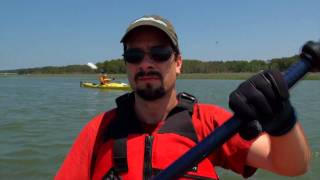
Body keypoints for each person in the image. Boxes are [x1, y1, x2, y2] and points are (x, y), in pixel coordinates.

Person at [55, 15, 311, 179]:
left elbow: (293, 166)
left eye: (159, 53)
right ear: (126, 65)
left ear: (178, 62)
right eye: (135, 56)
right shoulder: (99, 130)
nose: (146, 64)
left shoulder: (209, 121)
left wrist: (283, 119)